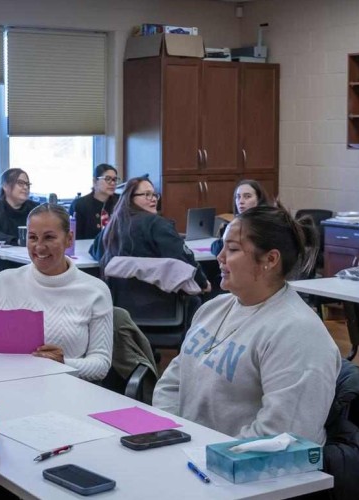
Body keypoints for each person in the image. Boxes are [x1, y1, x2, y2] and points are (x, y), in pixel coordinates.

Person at [152, 203, 341, 443]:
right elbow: (171, 385)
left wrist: (207, 453)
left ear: (270, 259)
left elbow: (281, 437)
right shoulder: (212, 309)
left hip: (245, 471)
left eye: (231, 249)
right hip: (189, 455)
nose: (219, 257)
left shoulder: (299, 333)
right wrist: (174, 435)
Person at [0, 203, 113, 381]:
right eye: (32, 237)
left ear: (69, 239)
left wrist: (64, 363)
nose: (39, 246)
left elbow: (101, 364)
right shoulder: (5, 281)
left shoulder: (95, 291)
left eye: (49, 237)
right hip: (3, 387)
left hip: (65, 393)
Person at [90, 177, 210, 292]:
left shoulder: (113, 226)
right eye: (147, 194)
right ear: (130, 198)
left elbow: (95, 250)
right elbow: (183, 257)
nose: (153, 199)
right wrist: (202, 282)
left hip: (119, 301)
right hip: (161, 300)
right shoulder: (157, 224)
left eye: (154, 195)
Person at [0, 168, 40, 246]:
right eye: (20, 183)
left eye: (27, 184)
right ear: (5, 186)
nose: (25, 187)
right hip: (0, 255)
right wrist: (16, 241)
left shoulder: (35, 208)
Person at [210, 179, 271, 256]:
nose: (241, 201)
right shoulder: (236, 223)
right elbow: (217, 248)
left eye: (247, 196)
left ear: (259, 199)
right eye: (238, 197)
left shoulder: (263, 225)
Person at [69, 164, 120, 240]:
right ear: (95, 181)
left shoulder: (121, 201)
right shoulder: (80, 205)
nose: (112, 183)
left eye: (115, 179)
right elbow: (75, 238)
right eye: (107, 179)